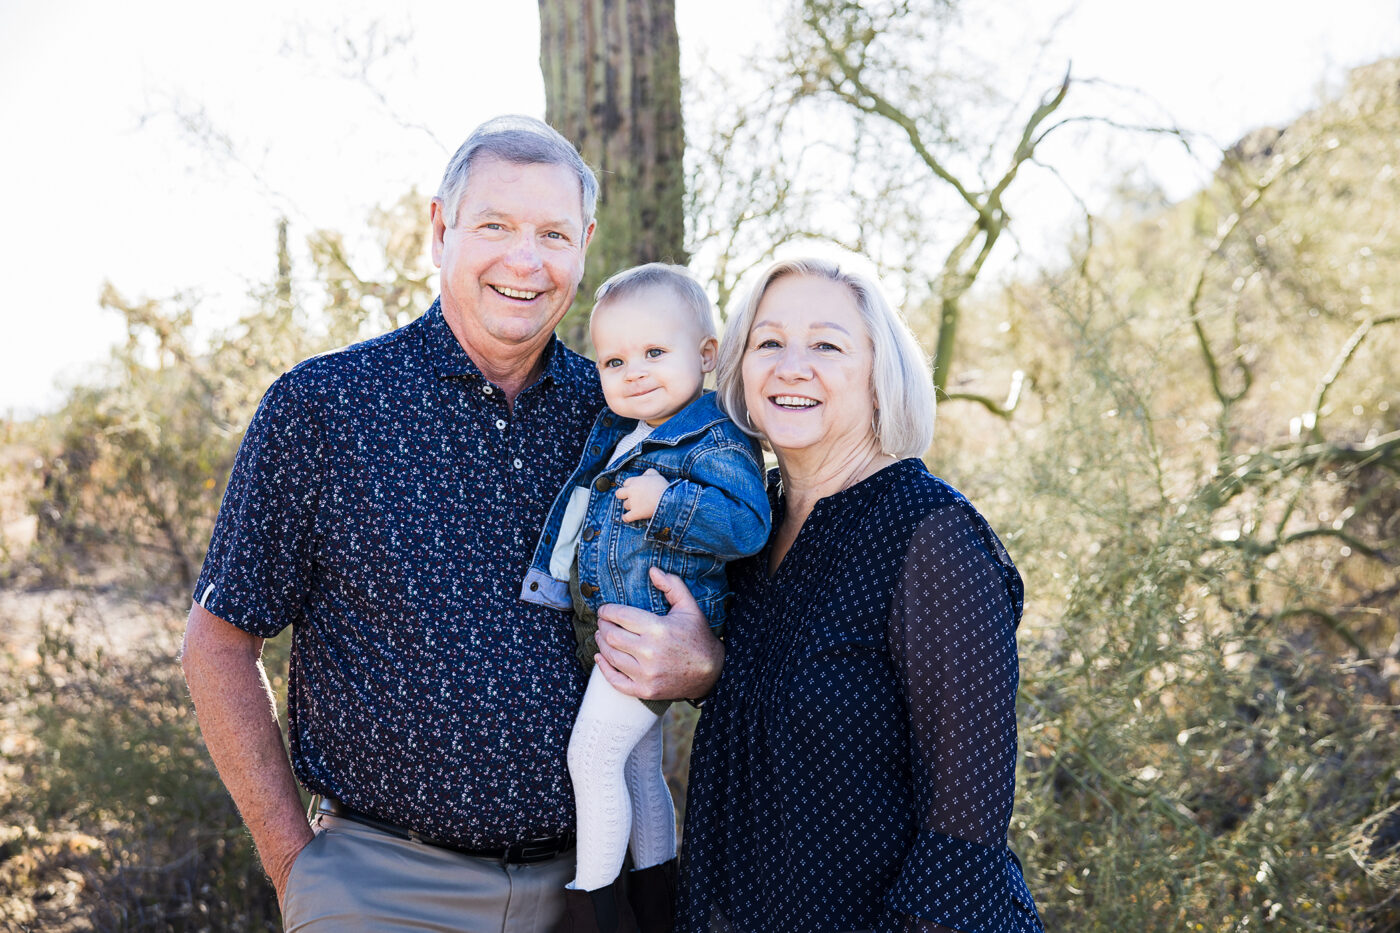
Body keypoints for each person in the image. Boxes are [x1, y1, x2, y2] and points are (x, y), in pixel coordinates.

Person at [179, 115, 718, 933]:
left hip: (584, 893)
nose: (525, 259)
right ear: (440, 230)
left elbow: (721, 595)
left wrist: (704, 660)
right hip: (378, 890)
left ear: (585, 245)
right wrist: (296, 867)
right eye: (495, 226)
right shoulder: (325, 408)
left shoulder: (624, 419)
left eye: (552, 233)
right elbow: (217, 644)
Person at [597, 257, 1043, 932]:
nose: (791, 366)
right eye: (768, 342)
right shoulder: (747, 526)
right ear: (738, 371)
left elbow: (963, 844)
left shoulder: (931, 536)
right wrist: (709, 669)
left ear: (876, 375)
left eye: (827, 345)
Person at [520, 263, 770, 926]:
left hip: (654, 632)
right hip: (623, 632)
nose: (633, 372)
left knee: (591, 755)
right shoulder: (621, 429)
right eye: (614, 359)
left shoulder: (715, 436)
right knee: (635, 767)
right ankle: (658, 900)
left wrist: (670, 501)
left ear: (708, 353)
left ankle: (593, 908)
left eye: (655, 352)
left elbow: (748, 525)